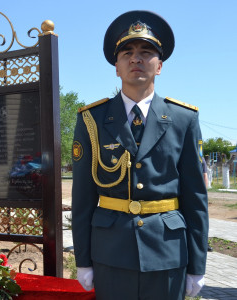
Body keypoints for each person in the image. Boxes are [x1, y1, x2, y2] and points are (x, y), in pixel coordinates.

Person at [71, 11, 208, 299]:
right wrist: (83, 260)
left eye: (146, 52)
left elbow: (196, 198)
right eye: (127, 53)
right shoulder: (91, 120)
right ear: (117, 67)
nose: (136, 58)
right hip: (110, 253)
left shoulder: (184, 119)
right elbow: (82, 198)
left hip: (168, 253)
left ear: (159, 66)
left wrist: (198, 265)